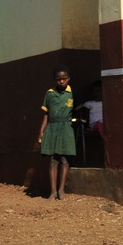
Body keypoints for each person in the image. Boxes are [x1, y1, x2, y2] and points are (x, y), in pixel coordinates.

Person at [36, 65, 76, 199]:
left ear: (69, 79)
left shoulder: (72, 93)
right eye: (58, 79)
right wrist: (41, 131)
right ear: (55, 80)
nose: (62, 81)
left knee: (65, 158)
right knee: (53, 159)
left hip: (66, 127)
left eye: (64, 79)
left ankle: (61, 190)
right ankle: (52, 191)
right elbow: (46, 114)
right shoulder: (50, 93)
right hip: (52, 127)